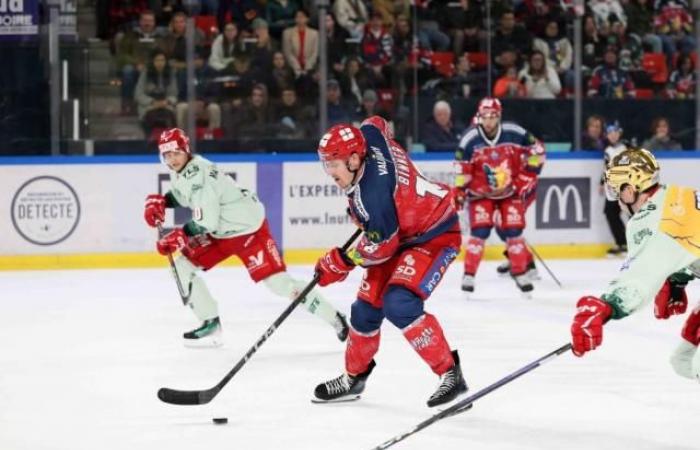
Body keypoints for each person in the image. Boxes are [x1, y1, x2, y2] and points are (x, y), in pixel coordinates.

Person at [311, 118, 468, 407]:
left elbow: (381, 248)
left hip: (434, 234)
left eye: (334, 164)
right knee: (364, 311)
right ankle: (354, 378)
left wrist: (341, 262)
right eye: (326, 164)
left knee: (399, 303)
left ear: (355, 159)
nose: (329, 172)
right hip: (400, 233)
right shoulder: (369, 135)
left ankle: (450, 374)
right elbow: (380, 123)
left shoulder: (375, 197)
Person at [143, 128, 349, 347]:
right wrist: (164, 202)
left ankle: (334, 318)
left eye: (176, 153)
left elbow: (207, 221)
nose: (172, 159)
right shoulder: (185, 169)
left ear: (185, 150)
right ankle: (210, 323)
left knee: (280, 285)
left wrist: (181, 235)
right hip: (221, 233)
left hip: (248, 232)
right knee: (181, 267)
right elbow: (183, 194)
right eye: (167, 155)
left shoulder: (199, 176)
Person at [570, 148, 700, 383]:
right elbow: (690, 241)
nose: (616, 199)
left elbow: (640, 276)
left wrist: (605, 307)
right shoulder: (676, 195)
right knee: (684, 360)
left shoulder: (651, 220)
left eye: (615, 190)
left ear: (630, 190)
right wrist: (679, 277)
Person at [455, 97, 545, 294]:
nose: (489, 121)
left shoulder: (514, 132)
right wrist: (460, 191)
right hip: (480, 195)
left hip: (510, 192)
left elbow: (537, 150)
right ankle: (469, 275)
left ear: (499, 117)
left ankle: (521, 271)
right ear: (479, 117)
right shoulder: (470, 138)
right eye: (485, 116)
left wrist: (525, 177)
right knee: (480, 232)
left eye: (493, 116)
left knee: (513, 231)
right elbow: (461, 168)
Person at [601, 121, 628, 256]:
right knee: (610, 213)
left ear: (619, 133)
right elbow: (606, 168)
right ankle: (621, 243)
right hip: (612, 188)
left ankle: (628, 243)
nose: (612, 136)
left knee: (631, 215)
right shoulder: (607, 150)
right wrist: (602, 182)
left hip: (625, 187)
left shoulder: (625, 148)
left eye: (615, 133)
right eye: (609, 133)